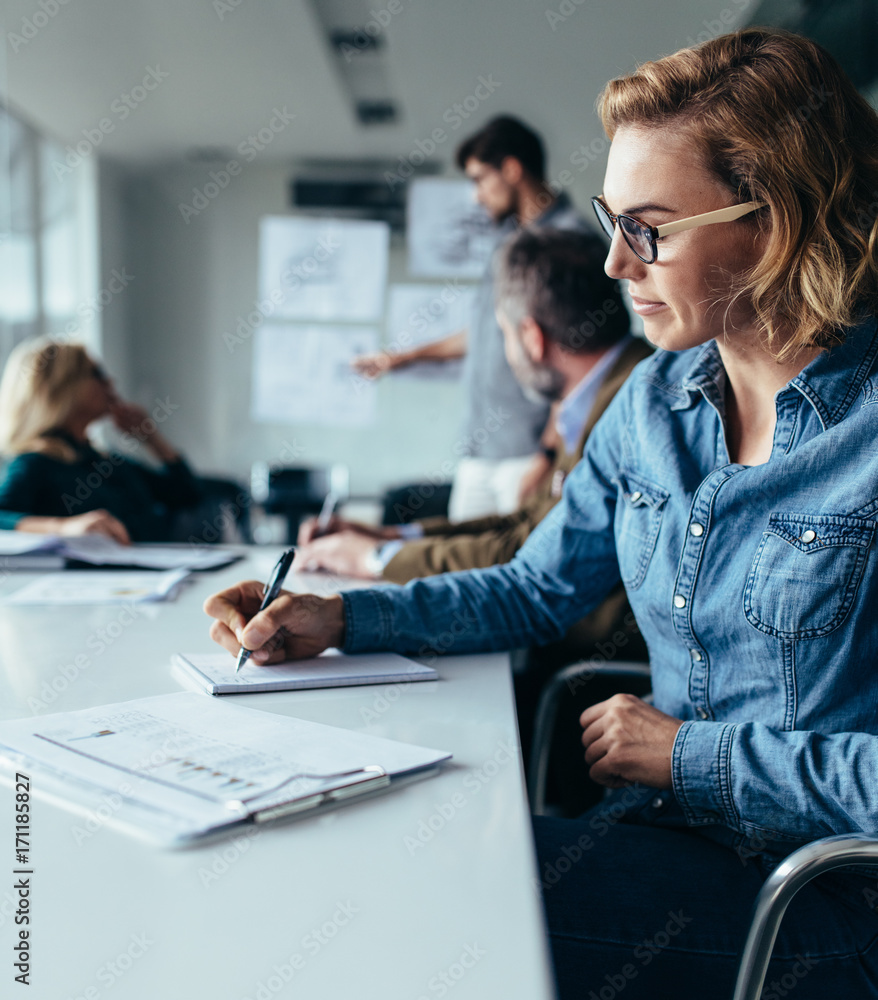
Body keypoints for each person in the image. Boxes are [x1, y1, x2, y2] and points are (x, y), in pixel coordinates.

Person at [206, 29, 878, 997]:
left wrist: (691, 755)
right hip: (667, 837)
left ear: (776, 224)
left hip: (820, 894)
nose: (612, 264)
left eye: (647, 227)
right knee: (373, 849)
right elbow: (536, 586)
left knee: (415, 901)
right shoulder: (650, 407)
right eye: (611, 220)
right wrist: (341, 616)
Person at [295, 229, 651, 598]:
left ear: (532, 337)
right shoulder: (593, 395)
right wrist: (391, 536)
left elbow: (529, 552)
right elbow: (526, 523)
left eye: (504, 334)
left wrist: (377, 559)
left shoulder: (630, 405)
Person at [353, 115, 591, 520]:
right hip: (480, 452)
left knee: (519, 576)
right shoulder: (507, 242)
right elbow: (485, 333)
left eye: (480, 179)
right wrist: (402, 358)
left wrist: (549, 452)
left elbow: (581, 356)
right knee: (462, 572)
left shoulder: (571, 241)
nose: (477, 196)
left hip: (530, 453)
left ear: (512, 169)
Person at [0, 339, 202, 542]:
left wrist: (152, 439)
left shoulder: (106, 461)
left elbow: (187, 494)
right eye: (97, 374)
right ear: (61, 387)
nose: (110, 382)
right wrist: (62, 528)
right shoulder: (34, 464)